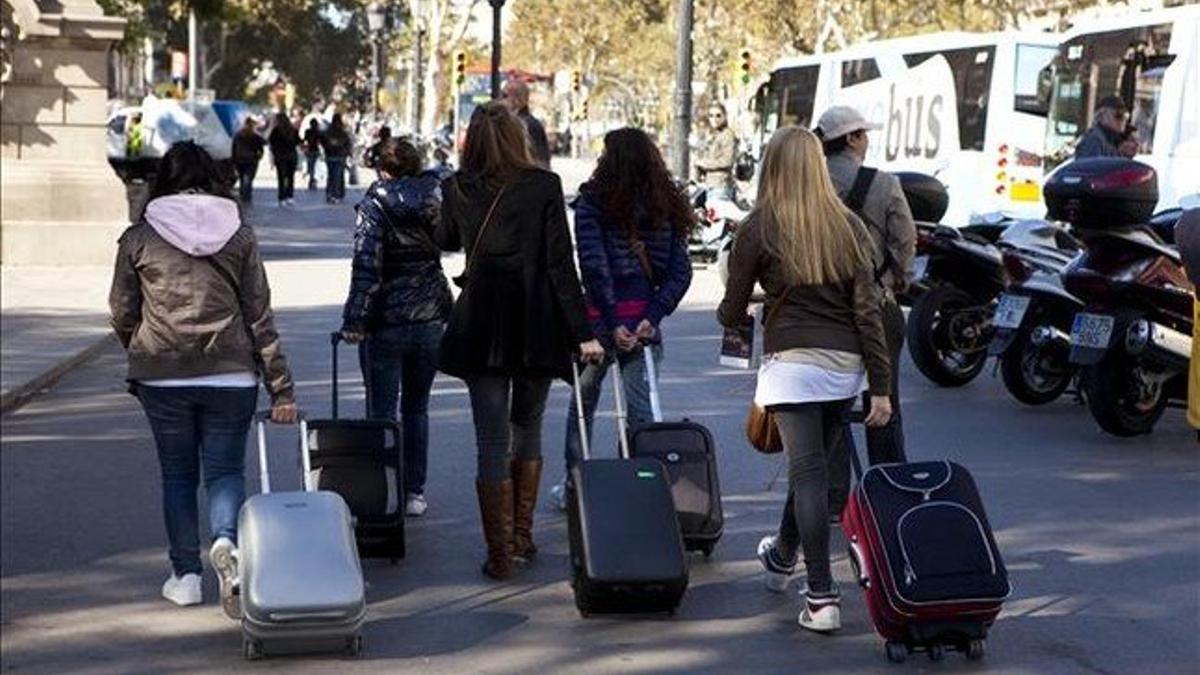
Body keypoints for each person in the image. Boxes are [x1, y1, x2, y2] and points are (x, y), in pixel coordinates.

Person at [108, 141, 297, 617]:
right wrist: (281, 388)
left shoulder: (140, 237)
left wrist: (140, 346)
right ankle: (227, 545)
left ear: (163, 179)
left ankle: (186, 576)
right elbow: (259, 315)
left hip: (162, 372)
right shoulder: (239, 234)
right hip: (230, 373)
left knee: (178, 475)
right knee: (226, 472)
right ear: (214, 176)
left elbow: (121, 309)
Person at [718, 126, 891, 634]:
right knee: (811, 471)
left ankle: (821, 595)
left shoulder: (758, 227)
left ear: (772, 167)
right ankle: (782, 555)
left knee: (808, 474)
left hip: (792, 366)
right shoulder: (850, 228)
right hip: (844, 369)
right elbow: (868, 315)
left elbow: (730, 311)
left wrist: (745, 311)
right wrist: (879, 386)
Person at [435, 102, 603, 580]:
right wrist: (584, 332)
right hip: (535, 322)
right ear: (517, 138)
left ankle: (500, 554)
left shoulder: (455, 187)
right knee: (527, 426)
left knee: (490, 439)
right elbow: (559, 265)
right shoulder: (543, 186)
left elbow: (445, 240)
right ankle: (522, 536)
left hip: (481, 325)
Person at [550, 127, 694, 510]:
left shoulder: (593, 202)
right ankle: (641, 480)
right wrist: (652, 316)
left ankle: (575, 482)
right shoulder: (668, 203)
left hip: (599, 323)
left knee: (584, 402)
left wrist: (613, 323)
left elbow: (595, 267)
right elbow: (681, 273)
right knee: (640, 408)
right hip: (645, 324)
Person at [340, 138, 451, 517]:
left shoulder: (375, 203)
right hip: (429, 316)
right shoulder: (435, 197)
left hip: (386, 320)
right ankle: (414, 492)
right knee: (417, 408)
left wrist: (355, 319)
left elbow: (367, 265)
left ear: (382, 170)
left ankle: (381, 489)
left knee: (382, 410)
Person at [814, 105, 916, 517]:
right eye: (863, 134)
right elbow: (904, 239)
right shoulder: (883, 183)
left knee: (830, 404)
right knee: (882, 396)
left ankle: (831, 497)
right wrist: (895, 280)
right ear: (853, 139)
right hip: (874, 303)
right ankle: (888, 489)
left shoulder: (809, 183)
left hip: (821, 309)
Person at [501, 78, 551, 168]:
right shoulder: (508, 121)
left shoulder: (530, 125)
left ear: (519, 99)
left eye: (505, 96)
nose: (501, 100)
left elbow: (540, 161)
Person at [695, 103, 739, 200]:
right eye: (711, 115)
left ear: (725, 116)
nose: (714, 119)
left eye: (718, 115)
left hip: (720, 186)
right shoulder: (715, 135)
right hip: (711, 185)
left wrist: (704, 163)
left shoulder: (727, 135)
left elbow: (727, 161)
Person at [268, 112, 301, 206]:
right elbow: (298, 142)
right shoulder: (292, 130)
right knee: (290, 177)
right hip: (291, 156)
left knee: (281, 178)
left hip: (280, 157)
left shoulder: (276, 131)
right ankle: (290, 196)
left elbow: (271, 142)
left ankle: (282, 197)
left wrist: (274, 153)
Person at [232, 117, 266, 204]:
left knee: (242, 178)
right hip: (251, 159)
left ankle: (243, 194)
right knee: (248, 178)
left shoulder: (238, 134)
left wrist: (233, 159)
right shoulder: (255, 135)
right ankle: (246, 195)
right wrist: (259, 156)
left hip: (239, 159)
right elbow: (262, 145)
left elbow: (234, 147)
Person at [321, 113, 353, 204]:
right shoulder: (343, 132)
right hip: (340, 156)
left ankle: (330, 193)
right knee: (339, 176)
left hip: (330, 156)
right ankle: (337, 194)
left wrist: (327, 148)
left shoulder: (328, 131)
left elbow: (323, 142)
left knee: (331, 175)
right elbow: (348, 143)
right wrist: (348, 153)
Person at [303, 119, 322, 190]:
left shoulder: (307, 131)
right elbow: (320, 141)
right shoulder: (318, 132)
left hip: (309, 150)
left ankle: (311, 179)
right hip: (315, 150)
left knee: (310, 165)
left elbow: (305, 140)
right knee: (314, 166)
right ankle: (312, 180)